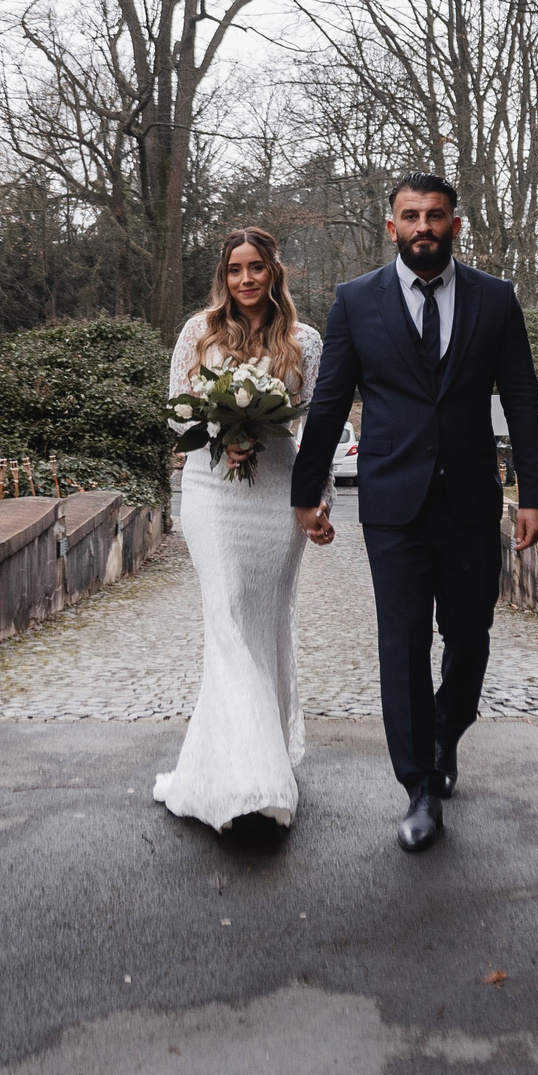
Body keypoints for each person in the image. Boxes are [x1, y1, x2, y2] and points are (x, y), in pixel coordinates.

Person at [290, 174, 538, 853]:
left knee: (470, 635)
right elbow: (328, 404)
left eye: (436, 214)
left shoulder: (495, 299)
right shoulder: (355, 301)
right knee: (403, 642)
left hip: (470, 499)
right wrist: (307, 489)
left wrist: (533, 494)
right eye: (411, 215)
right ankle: (419, 787)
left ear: (455, 225)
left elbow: (522, 395)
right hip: (392, 503)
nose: (423, 225)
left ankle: (446, 728)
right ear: (391, 226)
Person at [151, 228, 331, 833]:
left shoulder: (305, 342)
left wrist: (319, 499)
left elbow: (318, 430)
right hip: (212, 491)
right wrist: (222, 434)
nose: (246, 279)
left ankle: (262, 756)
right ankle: (248, 780)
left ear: (274, 271)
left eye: (256, 267)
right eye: (235, 269)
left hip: (277, 495)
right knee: (226, 614)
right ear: (223, 276)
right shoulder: (198, 332)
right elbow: (178, 415)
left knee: (264, 621)